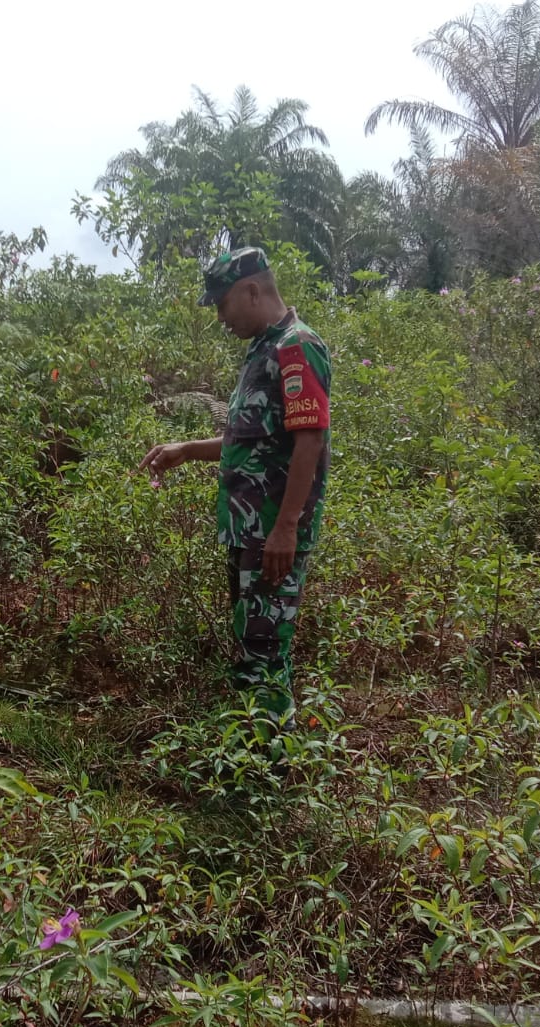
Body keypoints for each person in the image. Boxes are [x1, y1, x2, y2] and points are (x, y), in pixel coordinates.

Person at [140, 246, 332, 722]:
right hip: (250, 533)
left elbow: (310, 438)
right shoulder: (263, 349)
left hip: (272, 535)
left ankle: (268, 769)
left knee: (265, 652)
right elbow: (245, 437)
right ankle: (251, 753)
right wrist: (186, 450)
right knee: (252, 642)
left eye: (222, 304)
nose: (220, 317)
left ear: (251, 291)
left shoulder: (297, 347)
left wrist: (286, 527)